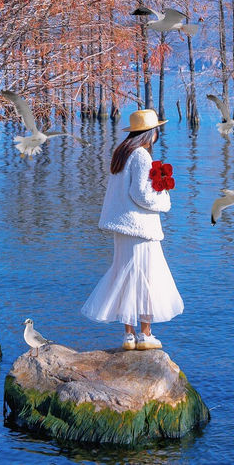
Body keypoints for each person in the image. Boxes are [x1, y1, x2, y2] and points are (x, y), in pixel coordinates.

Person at [81, 108, 183, 350]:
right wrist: (163, 195)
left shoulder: (122, 154)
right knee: (147, 276)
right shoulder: (141, 156)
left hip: (123, 228)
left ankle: (129, 336)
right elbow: (140, 194)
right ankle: (145, 335)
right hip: (140, 228)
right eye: (156, 129)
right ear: (151, 133)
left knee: (126, 274)